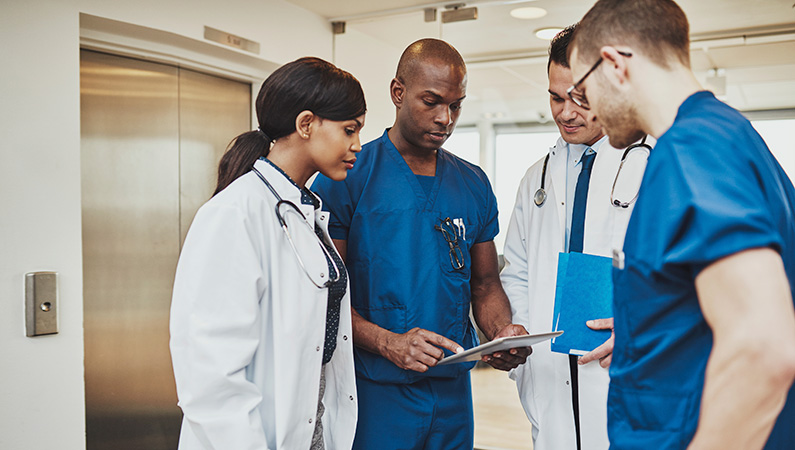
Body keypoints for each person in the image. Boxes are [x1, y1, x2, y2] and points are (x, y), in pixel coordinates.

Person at [567, 0, 795, 449]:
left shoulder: (693, 151)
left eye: (582, 88)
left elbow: (764, 349)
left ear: (613, 64)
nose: (585, 108)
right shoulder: (735, 138)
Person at [312, 38, 531, 450]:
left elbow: (484, 285)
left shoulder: (473, 183)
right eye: (431, 101)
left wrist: (501, 334)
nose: (445, 118)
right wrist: (388, 343)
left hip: (452, 391)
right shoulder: (347, 177)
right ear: (398, 93)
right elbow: (327, 296)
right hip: (375, 388)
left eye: (456, 105)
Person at [169, 56, 366, 450]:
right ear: (306, 124)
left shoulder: (302, 212)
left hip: (311, 431)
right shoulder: (234, 213)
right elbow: (210, 375)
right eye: (349, 130)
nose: (357, 145)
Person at [501, 24, 650, 450]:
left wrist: (645, 326)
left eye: (580, 99)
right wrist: (523, 349)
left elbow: (690, 274)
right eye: (555, 96)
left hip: (625, 373)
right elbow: (518, 272)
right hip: (549, 385)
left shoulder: (653, 163)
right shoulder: (536, 179)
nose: (566, 112)